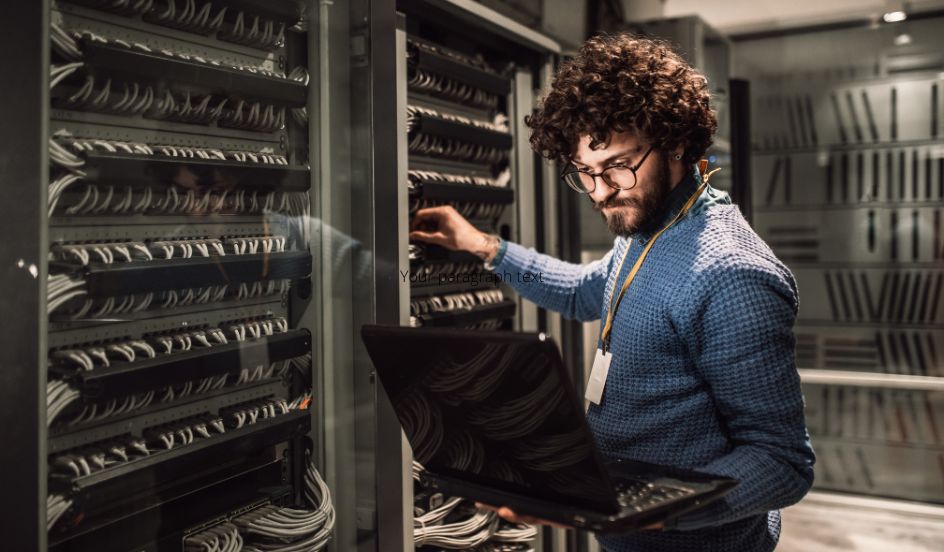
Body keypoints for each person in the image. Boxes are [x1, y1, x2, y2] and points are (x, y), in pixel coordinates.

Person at [409, 34, 815, 552]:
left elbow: (780, 463)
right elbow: (584, 291)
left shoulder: (731, 275)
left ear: (674, 141)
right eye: (586, 173)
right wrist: (481, 245)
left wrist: (651, 511)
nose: (601, 192)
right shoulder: (649, 233)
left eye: (618, 167)